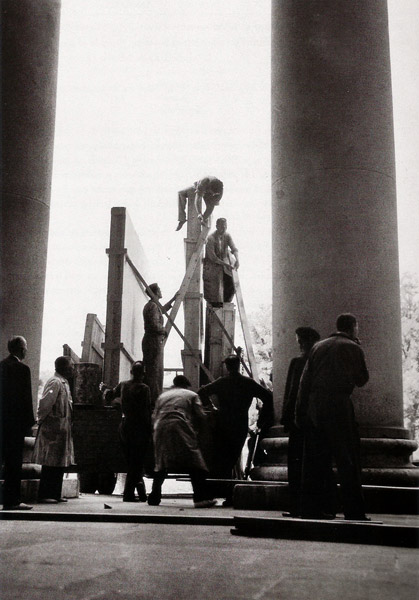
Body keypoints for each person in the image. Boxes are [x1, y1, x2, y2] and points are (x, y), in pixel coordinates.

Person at [295, 313, 370, 521]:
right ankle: (354, 510)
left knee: (315, 460)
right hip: (339, 406)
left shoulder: (317, 347)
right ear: (353, 327)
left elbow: (304, 382)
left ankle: (311, 509)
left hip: (315, 408)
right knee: (347, 459)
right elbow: (362, 379)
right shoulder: (353, 347)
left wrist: (300, 412)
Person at [198, 354, 273, 506]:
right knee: (232, 459)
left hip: (222, 423)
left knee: (222, 459)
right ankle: (228, 494)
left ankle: (221, 492)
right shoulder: (248, 383)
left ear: (227, 367)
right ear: (239, 365)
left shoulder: (222, 382)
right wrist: (262, 419)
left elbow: (202, 392)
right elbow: (268, 397)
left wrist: (212, 408)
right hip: (239, 424)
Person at [148, 375, 216, 508]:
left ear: (174, 384)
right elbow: (201, 416)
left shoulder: (163, 396)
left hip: (160, 428)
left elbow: (154, 416)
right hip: (179, 425)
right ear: (186, 385)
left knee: (161, 463)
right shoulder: (192, 395)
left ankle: (154, 497)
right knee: (195, 462)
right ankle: (201, 498)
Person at [280, 326, 320, 517]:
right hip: (316, 419)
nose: (298, 344)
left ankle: (296, 506)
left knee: (296, 463)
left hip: (298, 419)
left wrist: (286, 417)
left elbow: (291, 392)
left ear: (303, 342)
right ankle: (315, 505)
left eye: (299, 341)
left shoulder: (298, 362)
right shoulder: (319, 363)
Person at [104, 361, 152, 502]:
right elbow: (146, 410)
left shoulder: (123, 385)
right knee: (137, 462)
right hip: (139, 427)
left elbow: (109, 396)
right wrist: (149, 430)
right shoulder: (145, 388)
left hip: (125, 426)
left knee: (132, 461)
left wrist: (105, 390)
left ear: (131, 372)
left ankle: (141, 494)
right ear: (143, 374)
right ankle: (129, 494)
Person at [33, 356, 75, 504]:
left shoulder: (64, 383)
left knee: (59, 462)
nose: (73, 369)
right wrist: (41, 421)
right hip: (53, 429)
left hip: (61, 429)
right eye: (71, 366)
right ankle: (45, 494)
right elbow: (45, 404)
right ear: (63, 367)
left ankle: (55, 493)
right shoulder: (55, 382)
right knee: (50, 463)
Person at [0, 336, 35, 510]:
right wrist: (29, 423)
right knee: (13, 463)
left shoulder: (1, 366)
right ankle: (11, 500)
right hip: (14, 425)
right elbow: (25, 399)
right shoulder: (22, 369)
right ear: (21, 349)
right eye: (26, 347)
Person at [142, 283, 177, 407]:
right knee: (154, 371)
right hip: (152, 341)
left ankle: (153, 399)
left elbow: (161, 310)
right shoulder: (152, 306)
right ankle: (153, 401)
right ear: (155, 292)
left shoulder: (153, 305)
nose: (161, 291)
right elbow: (154, 325)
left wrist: (173, 299)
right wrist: (164, 330)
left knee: (155, 370)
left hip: (153, 340)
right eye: (159, 290)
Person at [203, 218, 239, 306]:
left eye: (225, 226)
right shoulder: (211, 238)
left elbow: (234, 248)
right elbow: (213, 258)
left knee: (231, 284)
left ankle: (226, 304)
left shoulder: (227, 236)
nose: (224, 229)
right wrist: (226, 264)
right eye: (222, 227)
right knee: (214, 290)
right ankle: (216, 306)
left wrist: (237, 259)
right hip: (212, 267)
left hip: (223, 266)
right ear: (217, 227)